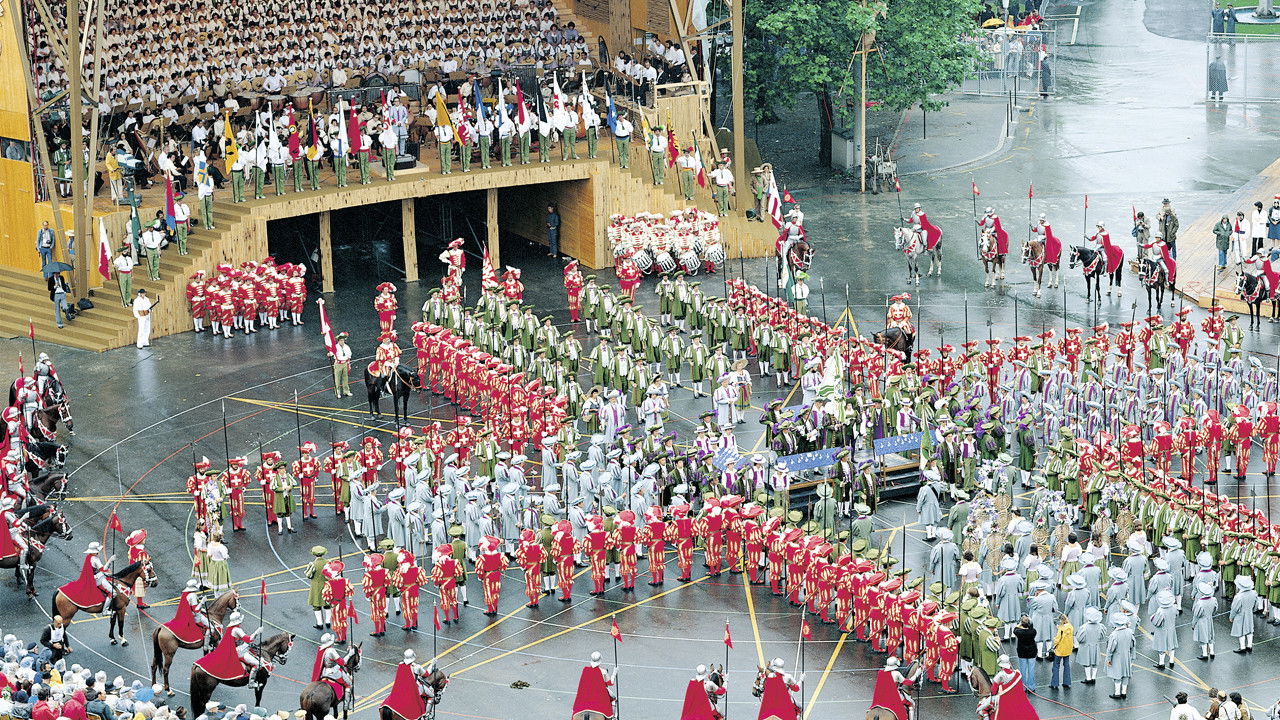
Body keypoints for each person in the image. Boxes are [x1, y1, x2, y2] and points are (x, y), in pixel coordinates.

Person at [1012, 615, 1038, 692]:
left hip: (1022, 652)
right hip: (1032, 652)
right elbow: (1031, 626)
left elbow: (1015, 629)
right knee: (1031, 670)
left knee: (1023, 670)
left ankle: (1023, 686)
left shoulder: (1018, 632)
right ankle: (1031, 686)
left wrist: (1020, 623)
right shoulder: (1033, 631)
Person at [1049, 613, 1073, 690]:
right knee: (1066, 665)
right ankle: (1067, 682)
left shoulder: (1061, 629)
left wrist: (1053, 645)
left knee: (1056, 666)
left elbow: (1057, 640)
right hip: (1068, 649)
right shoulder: (1070, 627)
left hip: (1060, 650)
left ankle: (1055, 683)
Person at [331, 332, 353, 398]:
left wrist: (348, 362)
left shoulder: (346, 347)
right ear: (338, 341)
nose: (342, 342)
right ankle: (338, 392)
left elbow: (349, 354)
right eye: (341, 340)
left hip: (345, 363)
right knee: (337, 379)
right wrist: (330, 354)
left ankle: (346, 391)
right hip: (338, 364)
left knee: (345, 378)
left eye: (343, 340)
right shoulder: (335, 347)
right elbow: (332, 352)